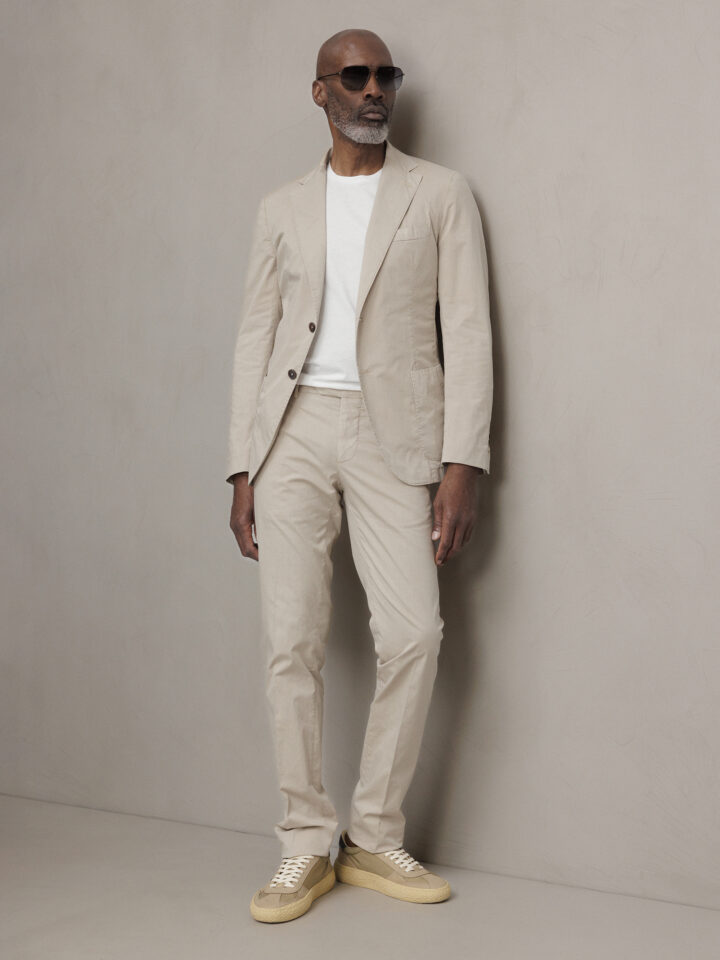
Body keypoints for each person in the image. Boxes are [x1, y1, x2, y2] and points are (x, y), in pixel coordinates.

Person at [226, 28, 493, 923]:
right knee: (291, 641)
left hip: (397, 436)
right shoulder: (281, 207)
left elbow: (469, 332)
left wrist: (463, 463)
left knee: (415, 634)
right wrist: (242, 466)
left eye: (385, 75)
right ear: (321, 92)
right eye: (355, 75)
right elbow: (255, 339)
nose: (374, 89)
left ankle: (374, 834)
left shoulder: (441, 194)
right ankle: (305, 842)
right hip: (293, 431)